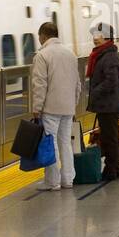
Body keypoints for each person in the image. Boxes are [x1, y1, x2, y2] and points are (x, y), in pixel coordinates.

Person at [30, 21, 81, 191]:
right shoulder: (70, 54)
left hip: (50, 108)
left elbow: (40, 85)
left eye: (39, 36)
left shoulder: (42, 55)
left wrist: (36, 108)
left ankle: (52, 181)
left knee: (50, 144)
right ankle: (68, 179)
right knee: (65, 143)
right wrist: (74, 104)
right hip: (68, 107)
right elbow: (77, 83)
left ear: (43, 35)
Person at [86, 24, 119, 181]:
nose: (95, 39)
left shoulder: (109, 56)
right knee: (110, 136)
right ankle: (114, 167)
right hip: (106, 104)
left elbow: (112, 80)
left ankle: (111, 168)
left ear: (106, 37)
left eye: (98, 35)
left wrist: (95, 91)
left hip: (109, 105)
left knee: (110, 138)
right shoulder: (102, 54)